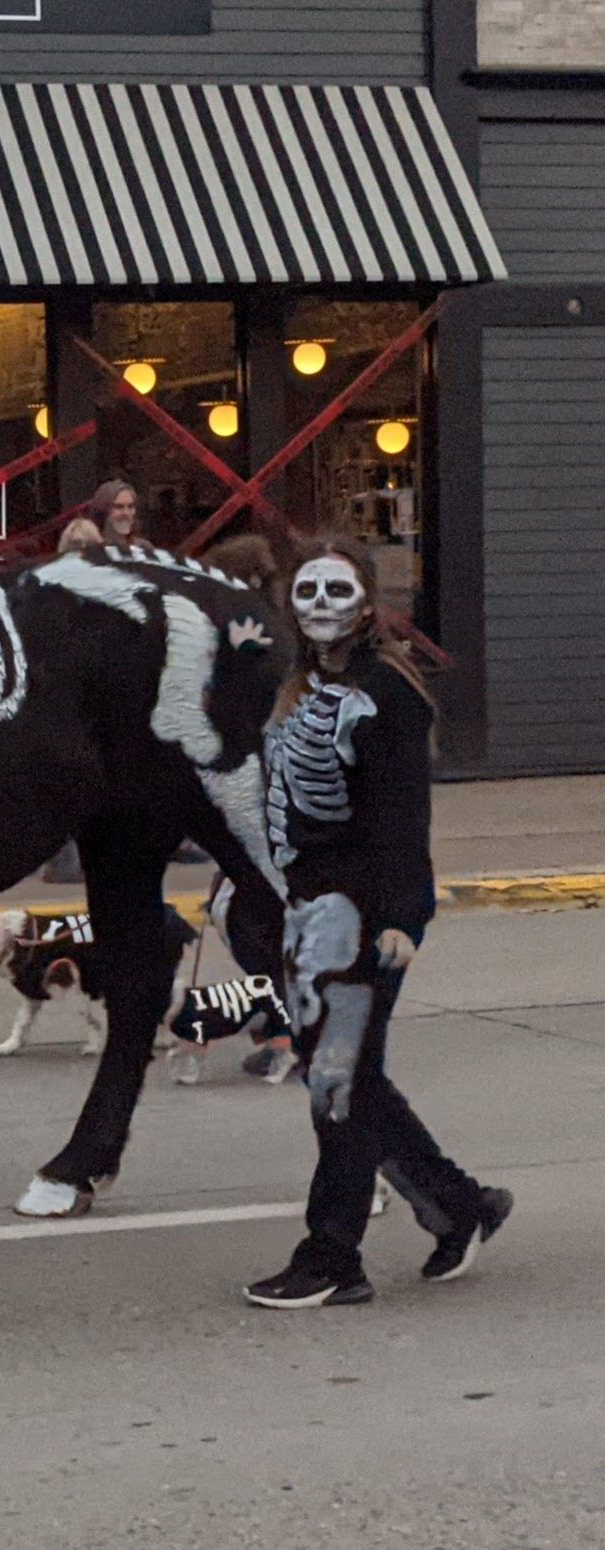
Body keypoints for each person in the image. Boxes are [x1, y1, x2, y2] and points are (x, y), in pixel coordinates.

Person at [244, 540, 512, 1310]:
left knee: (337, 1082)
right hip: (305, 909)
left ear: (365, 602)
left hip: (362, 917)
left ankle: (333, 1257)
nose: (321, 602)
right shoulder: (294, 687)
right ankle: (461, 1205)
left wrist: (403, 917)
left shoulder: (389, 694)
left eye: (338, 589)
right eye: (308, 589)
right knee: (350, 1079)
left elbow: (402, 817)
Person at [91, 479, 147, 548]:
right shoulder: (89, 547)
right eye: (118, 507)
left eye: (130, 506)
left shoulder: (144, 548)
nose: (126, 513)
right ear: (103, 509)